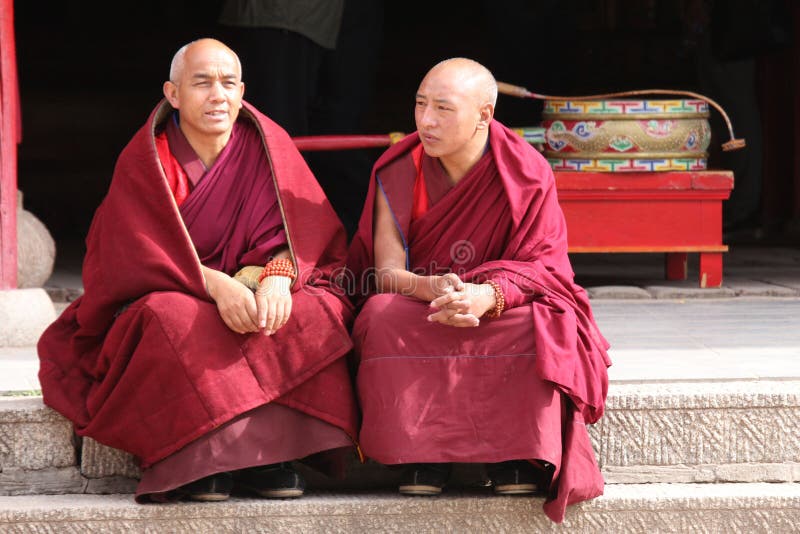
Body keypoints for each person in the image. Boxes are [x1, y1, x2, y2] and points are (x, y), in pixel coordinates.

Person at [37, 38, 359, 503]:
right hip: (176, 286)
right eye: (202, 83)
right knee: (170, 320)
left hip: (252, 282)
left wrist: (277, 278)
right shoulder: (148, 158)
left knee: (314, 310)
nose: (217, 95)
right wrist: (215, 285)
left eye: (228, 83)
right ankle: (197, 457)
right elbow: (131, 253)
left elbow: (304, 235)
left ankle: (271, 455)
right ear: (173, 94)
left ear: (243, 89)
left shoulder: (267, 146)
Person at [346, 58, 612, 523]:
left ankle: (516, 455)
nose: (426, 121)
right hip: (421, 299)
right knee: (381, 315)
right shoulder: (397, 168)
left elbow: (545, 266)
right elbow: (386, 272)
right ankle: (420, 453)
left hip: (497, 303)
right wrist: (431, 289)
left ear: (484, 115)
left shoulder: (524, 171)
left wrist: (490, 296)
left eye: (443, 109)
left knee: (539, 326)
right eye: (420, 104)